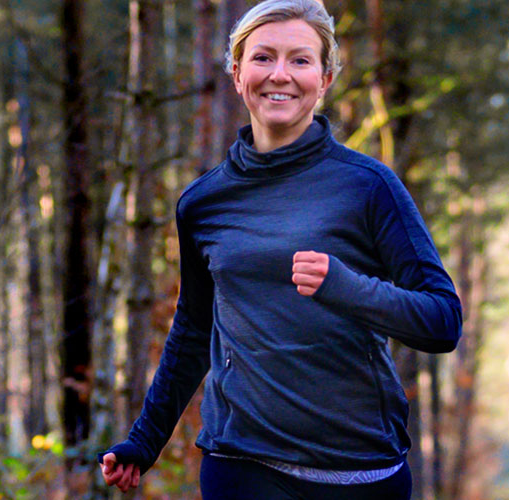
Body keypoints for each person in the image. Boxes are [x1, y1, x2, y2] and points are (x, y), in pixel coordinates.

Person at [99, 0, 462, 498]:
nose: (280, 75)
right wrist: (145, 439)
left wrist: (346, 287)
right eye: (263, 57)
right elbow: (194, 327)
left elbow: (443, 321)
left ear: (326, 78)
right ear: (236, 73)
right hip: (241, 465)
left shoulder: (369, 187)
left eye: (300, 59)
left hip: (358, 472)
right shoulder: (203, 202)